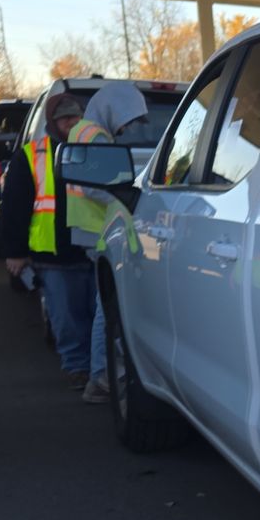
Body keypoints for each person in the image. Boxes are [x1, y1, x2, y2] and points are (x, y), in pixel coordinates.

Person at [1, 94, 95, 389]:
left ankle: (99, 370)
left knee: (97, 318)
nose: (71, 122)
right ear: (52, 121)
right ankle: (77, 368)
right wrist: (15, 252)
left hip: (93, 251)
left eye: (75, 116)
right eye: (64, 117)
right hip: (53, 255)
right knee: (66, 318)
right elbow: (14, 207)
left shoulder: (95, 149)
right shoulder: (31, 155)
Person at [66, 84, 148, 404]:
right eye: (127, 120)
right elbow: (95, 186)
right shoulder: (96, 136)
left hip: (87, 227)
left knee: (105, 304)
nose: (127, 129)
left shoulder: (82, 130)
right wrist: (128, 197)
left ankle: (99, 377)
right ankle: (101, 378)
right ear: (115, 109)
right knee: (107, 307)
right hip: (97, 227)